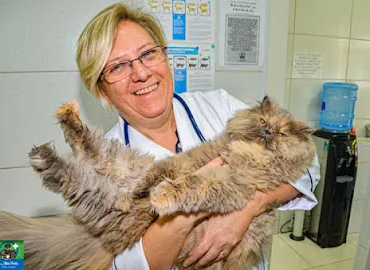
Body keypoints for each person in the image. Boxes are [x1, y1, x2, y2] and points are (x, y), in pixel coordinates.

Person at [75, 3, 320, 270]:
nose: (141, 73)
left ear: (165, 57)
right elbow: (120, 264)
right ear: (102, 91)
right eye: (118, 67)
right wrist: (188, 215)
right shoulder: (98, 165)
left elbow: (307, 164)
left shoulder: (220, 105)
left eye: (148, 53)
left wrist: (248, 207)